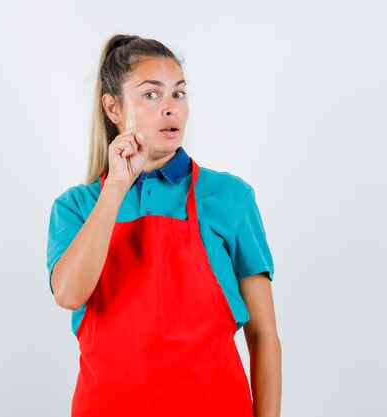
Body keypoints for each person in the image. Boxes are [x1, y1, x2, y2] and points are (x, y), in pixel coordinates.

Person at [46, 34, 281, 417]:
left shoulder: (229, 197)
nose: (170, 109)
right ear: (113, 107)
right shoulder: (77, 206)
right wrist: (118, 185)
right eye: (151, 95)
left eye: (179, 94)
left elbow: (264, 334)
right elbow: (69, 294)